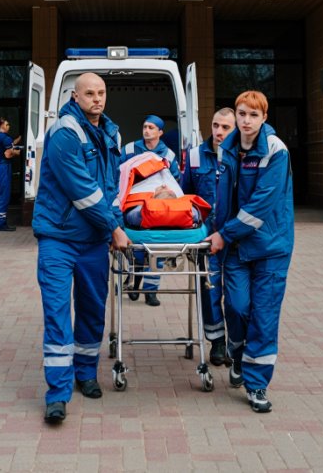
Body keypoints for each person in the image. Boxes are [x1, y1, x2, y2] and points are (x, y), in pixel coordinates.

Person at [33, 73, 130, 425]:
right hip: (58, 239)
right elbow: (83, 191)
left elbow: (112, 188)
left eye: (101, 92)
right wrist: (115, 228)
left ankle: (85, 373)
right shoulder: (64, 132)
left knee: (92, 309)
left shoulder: (111, 133)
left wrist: (116, 222)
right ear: (75, 97)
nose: (97, 99)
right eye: (89, 93)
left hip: (93, 241)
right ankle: (57, 394)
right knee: (57, 314)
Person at [208, 91, 294, 414]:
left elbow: (261, 205)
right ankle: (238, 353)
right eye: (242, 114)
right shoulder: (227, 148)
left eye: (253, 115)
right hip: (235, 247)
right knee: (237, 307)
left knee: (264, 315)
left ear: (264, 118)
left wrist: (223, 234)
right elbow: (223, 198)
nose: (246, 121)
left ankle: (256, 384)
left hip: (270, 247)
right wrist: (213, 229)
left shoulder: (275, 150)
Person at [180, 108, 235, 367]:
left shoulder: (240, 156)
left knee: (235, 293)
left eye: (225, 127)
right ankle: (217, 341)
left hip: (234, 236)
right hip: (206, 238)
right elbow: (185, 196)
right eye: (215, 125)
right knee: (209, 289)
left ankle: (236, 341)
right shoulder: (194, 156)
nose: (219, 132)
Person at [121, 115, 179, 306]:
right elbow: (118, 172)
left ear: (160, 132)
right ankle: (134, 282)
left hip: (159, 206)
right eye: (145, 126)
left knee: (157, 249)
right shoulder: (130, 149)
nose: (147, 130)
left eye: (151, 128)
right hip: (135, 203)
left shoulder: (168, 155)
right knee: (136, 248)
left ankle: (150, 291)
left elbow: (176, 180)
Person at [0, 118, 21, 232]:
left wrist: (16, 141)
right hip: (5, 166)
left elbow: (5, 145)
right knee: (5, 194)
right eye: (7, 124)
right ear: (2, 125)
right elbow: (8, 154)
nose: (9, 126)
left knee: (2, 193)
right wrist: (17, 152)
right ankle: (1, 223)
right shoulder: (5, 138)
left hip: (0, 165)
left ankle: (1, 221)